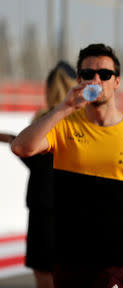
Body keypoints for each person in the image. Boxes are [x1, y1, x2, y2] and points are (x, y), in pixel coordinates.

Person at [11, 44, 123, 288]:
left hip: (115, 260)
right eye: (88, 74)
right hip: (68, 258)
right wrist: (64, 107)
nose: (96, 80)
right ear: (79, 80)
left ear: (117, 81)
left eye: (105, 74)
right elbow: (21, 147)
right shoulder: (64, 123)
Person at [0, 61, 76, 288]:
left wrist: (14, 142)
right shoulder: (79, 120)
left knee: (44, 274)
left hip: (45, 207)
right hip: (71, 207)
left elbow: (37, 159)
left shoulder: (44, 119)